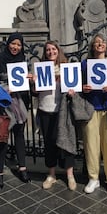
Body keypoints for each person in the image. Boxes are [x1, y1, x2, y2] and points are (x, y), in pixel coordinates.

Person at [31, 41, 77, 191]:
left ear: (58, 50)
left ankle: (70, 175)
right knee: (49, 143)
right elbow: (35, 93)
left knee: (66, 142)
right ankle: (51, 175)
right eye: (48, 50)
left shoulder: (65, 66)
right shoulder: (40, 68)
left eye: (53, 49)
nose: (51, 52)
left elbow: (74, 86)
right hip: (45, 109)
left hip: (62, 111)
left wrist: (72, 92)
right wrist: (34, 83)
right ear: (45, 53)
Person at [81, 33, 107, 196]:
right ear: (92, 46)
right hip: (91, 108)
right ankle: (93, 178)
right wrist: (83, 88)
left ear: (106, 45)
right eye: (97, 42)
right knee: (91, 145)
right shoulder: (85, 64)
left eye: (103, 42)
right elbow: (78, 84)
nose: (100, 44)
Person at [0, 32, 31, 183]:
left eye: (19, 44)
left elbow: (29, 81)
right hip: (4, 102)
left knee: (19, 135)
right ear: (8, 43)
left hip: (21, 102)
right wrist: (5, 88)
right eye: (13, 43)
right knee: (3, 135)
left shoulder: (24, 60)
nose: (15, 47)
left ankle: (22, 167)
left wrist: (31, 78)